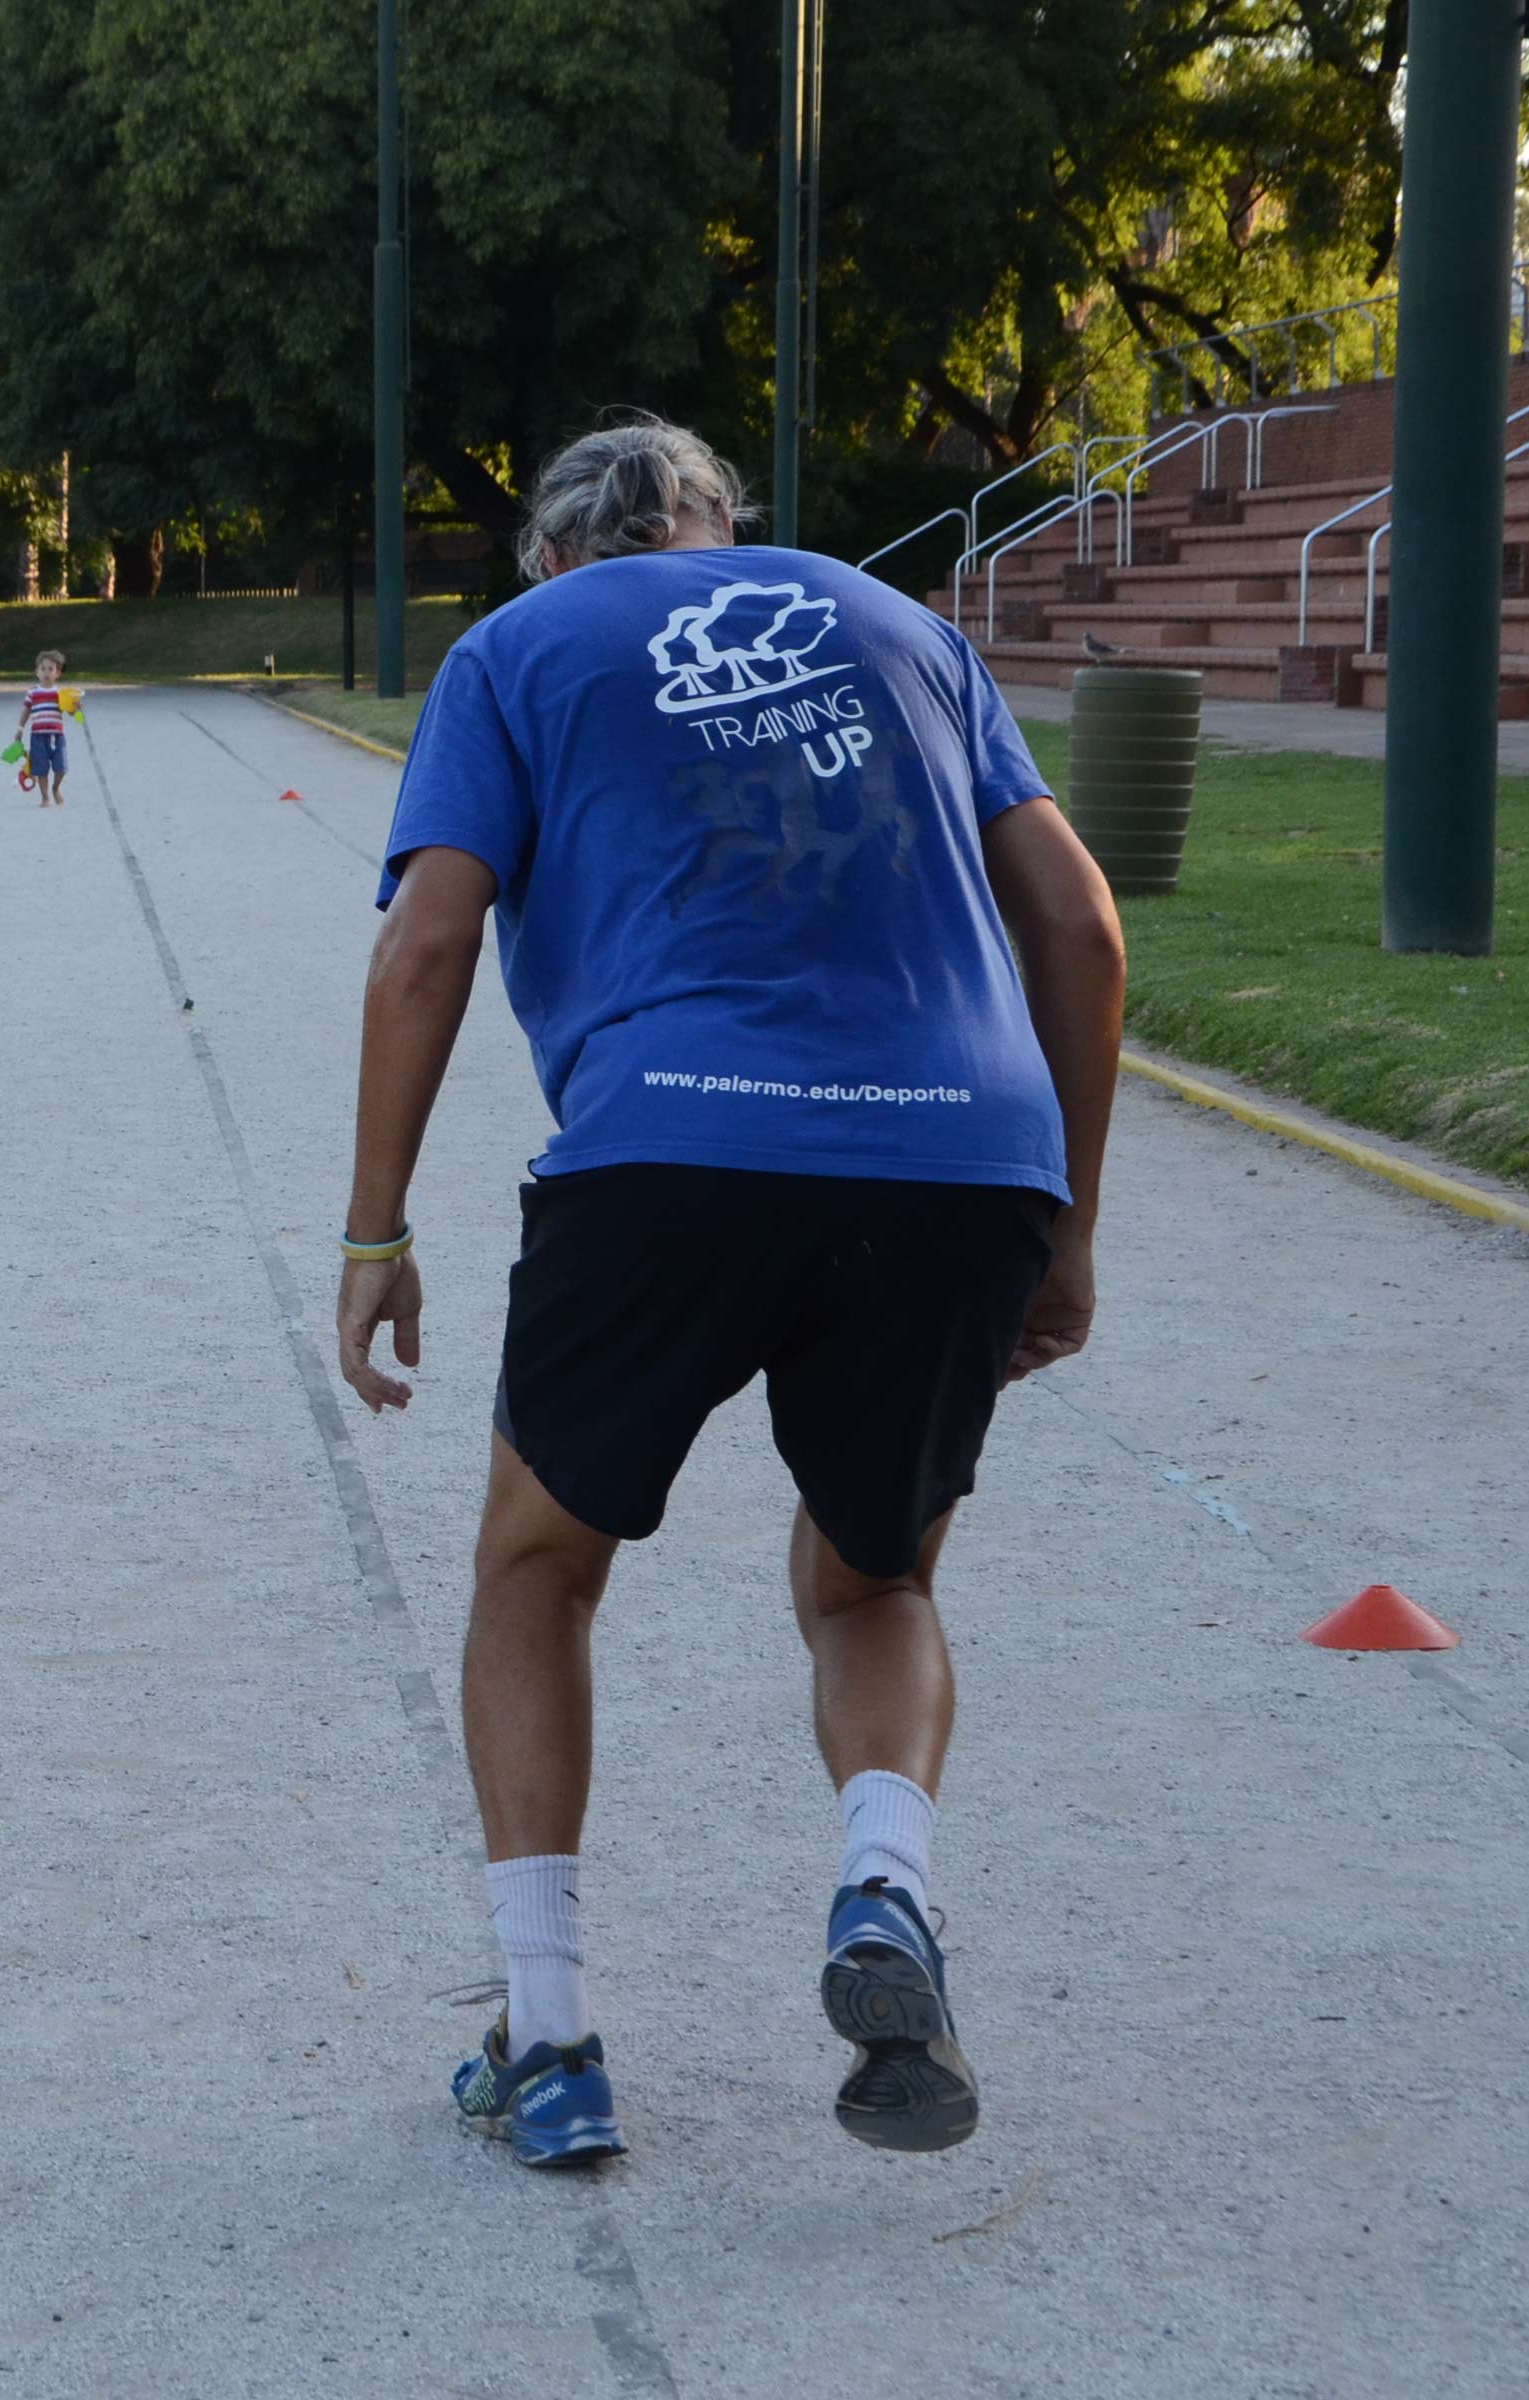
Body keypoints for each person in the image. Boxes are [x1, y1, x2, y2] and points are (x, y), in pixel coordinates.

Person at [331, 417, 1124, 2165]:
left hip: (668, 1154)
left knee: (536, 1569)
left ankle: (547, 2043)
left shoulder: (518, 648)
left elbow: (428, 941)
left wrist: (374, 1228)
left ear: (553, 555)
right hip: (954, 1154)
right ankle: (882, 1883)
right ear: (727, 528)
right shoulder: (903, 624)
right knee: (873, 1580)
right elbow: (1077, 928)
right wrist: (1060, 1221)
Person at [19, 651, 72, 806]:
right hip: (38, 736)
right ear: (37, 672)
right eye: (43, 668)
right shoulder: (32, 692)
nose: (46, 672)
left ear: (58, 673)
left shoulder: (60, 693)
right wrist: (20, 728)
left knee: (61, 767)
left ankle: (55, 788)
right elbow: (26, 710)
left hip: (57, 735)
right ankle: (45, 796)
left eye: (51, 669)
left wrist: (75, 707)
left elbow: (70, 711)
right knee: (41, 769)